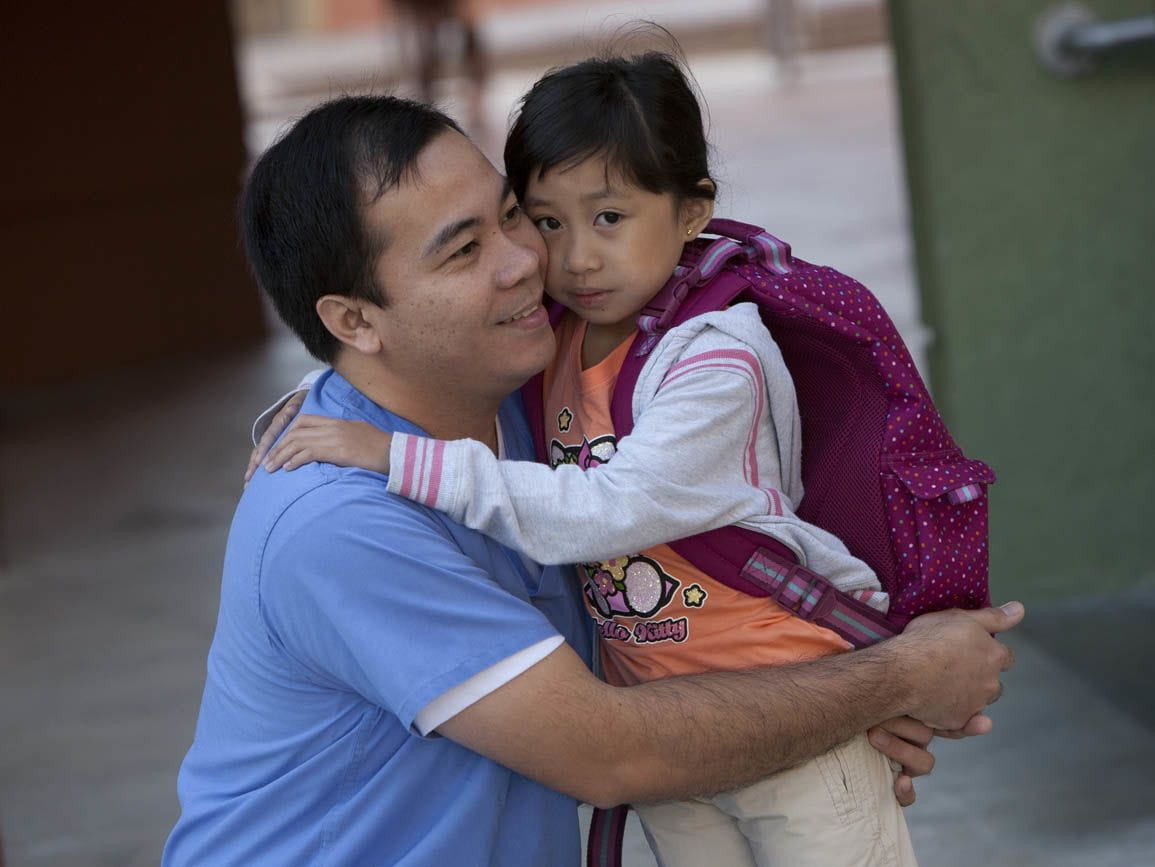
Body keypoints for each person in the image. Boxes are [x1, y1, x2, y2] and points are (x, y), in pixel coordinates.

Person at [169, 93, 1020, 867]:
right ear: (353, 320)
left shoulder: (526, 406)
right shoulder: (340, 522)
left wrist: (833, 715)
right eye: (464, 250)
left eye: (512, 216)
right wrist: (893, 678)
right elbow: (612, 753)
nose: (525, 262)